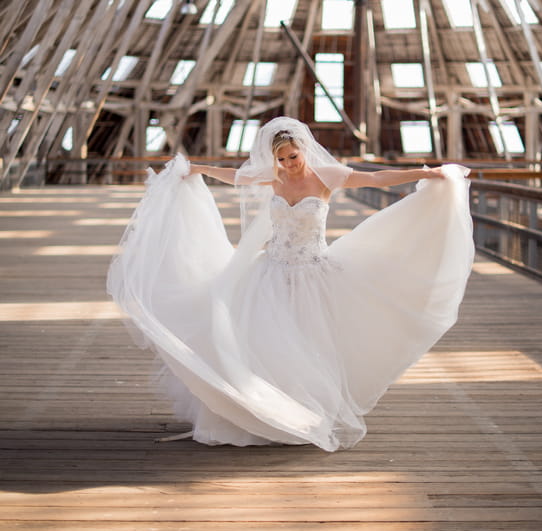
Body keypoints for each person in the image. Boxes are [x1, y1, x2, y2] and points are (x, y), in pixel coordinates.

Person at [107, 116, 474, 451]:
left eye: (292, 157)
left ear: (303, 149)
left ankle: (303, 414)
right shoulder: (274, 177)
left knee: (309, 345)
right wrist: (195, 169)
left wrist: (426, 173)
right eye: (281, 159)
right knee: (265, 344)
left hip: (314, 273)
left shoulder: (327, 175)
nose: (287, 165)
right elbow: (234, 176)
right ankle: (263, 414)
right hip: (270, 273)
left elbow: (376, 178)